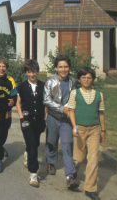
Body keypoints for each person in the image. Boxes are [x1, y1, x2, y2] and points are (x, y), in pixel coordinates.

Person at [66, 67, 106, 200]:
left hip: (94, 129)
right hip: (80, 129)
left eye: (89, 77)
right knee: (78, 159)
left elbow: (101, 113)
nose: (86, 80)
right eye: (83, 77)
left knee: (93, 159)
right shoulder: (75, 93)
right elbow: (71, 110)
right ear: (79, 79)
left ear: (93, 79)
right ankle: (71, 178)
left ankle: (90, 189)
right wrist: (74, 126)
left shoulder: (99, 94)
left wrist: (103, 130)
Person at [43, 54, 78, 189]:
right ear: (56, 68)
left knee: (67, 146)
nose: (63, 69)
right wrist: (61, 108)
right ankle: (51, 162)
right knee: (51, 142)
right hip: (53, 117)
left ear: (69, 68)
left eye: (66, 67)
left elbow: (74, 98)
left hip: (66, 120)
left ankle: (70, 176)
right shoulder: (50, 82)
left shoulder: (73, 82)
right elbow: (46, 100)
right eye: (60, 67)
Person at [16, 59, 47, 187]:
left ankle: (27, 153)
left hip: (39, 120)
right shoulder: (21, 86)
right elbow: (18, 103)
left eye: (34, 72)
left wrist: (45, 116)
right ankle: (33, 173)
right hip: (27, 119)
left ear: (37, 72)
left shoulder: (43, 86)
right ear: (26, 73)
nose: (32, 75)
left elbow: (45, 103)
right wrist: (21, 117)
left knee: (36, 142)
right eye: (29, 72)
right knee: (32, 144)